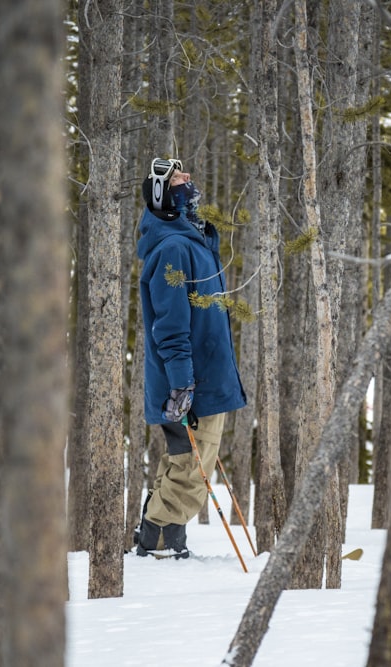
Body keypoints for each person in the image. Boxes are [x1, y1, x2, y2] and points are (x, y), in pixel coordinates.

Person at [133, 157, 246, 559]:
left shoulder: (194, 242)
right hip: (191, 384)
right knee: (191, 469)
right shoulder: (175, 249)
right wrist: (182, 383)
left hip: (205, 376)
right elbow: (170, 326)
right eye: (178, 178)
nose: (189, 179)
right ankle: (161, 543)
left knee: (183, 460)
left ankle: (155, 536)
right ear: (165, 194)